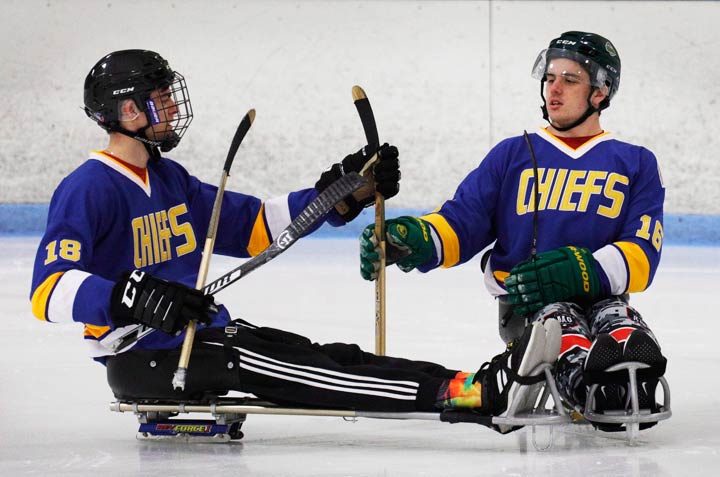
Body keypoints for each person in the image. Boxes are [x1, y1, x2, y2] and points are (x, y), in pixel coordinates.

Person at [30, 49, 559, 430]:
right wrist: (135, 297)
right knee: (317, 373)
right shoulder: (89, 187)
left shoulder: (171, 180)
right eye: (160, 98)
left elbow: (260, 223)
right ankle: (472, 393)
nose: (171, 107)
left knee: (327, 355)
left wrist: (341, 192)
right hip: (149, 358)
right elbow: (47, 292)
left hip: (197, 339)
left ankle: (470, 383)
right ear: (127, 111)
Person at [360, 31, 668, 432]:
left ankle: (628, 375)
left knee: (619, 318)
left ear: (600, 92)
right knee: (559, 322)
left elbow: (643, 250)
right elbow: (462, 220)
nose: (553, 89)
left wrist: (583, 270)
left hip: (603, 296)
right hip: (528, 307)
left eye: (569, 80)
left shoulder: (636, 162)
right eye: (549, 77)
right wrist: (417, 236)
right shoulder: (512, 154)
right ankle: (586, 379)